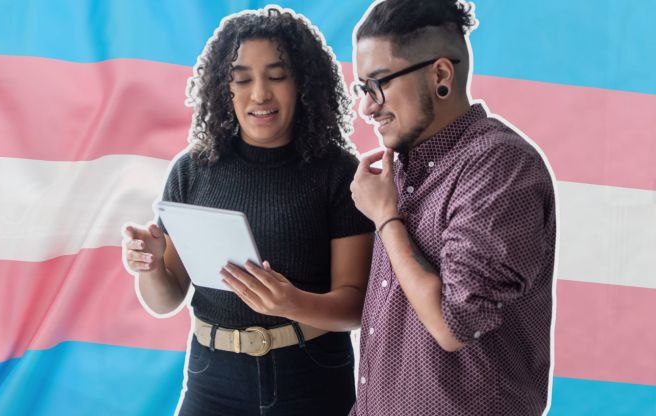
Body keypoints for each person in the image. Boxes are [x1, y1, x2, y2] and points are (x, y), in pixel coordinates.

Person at [122, 6, 374, 416]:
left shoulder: (339, 173)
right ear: (225, 88)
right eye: (242, 79)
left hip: (311, 377)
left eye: (276, 76)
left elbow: (357, 305)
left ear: (303, 83)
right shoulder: (191, 171)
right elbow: (166, 300)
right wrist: (150, 267)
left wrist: (291, 302)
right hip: (212, 378)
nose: (259, 94)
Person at [348, 1, 556, 415]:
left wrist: (387, 219)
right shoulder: (399, 171)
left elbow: (453, 323)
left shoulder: (500, 166)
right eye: (361, 89)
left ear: (440, 76)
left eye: (378, 84)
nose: (367, 107)